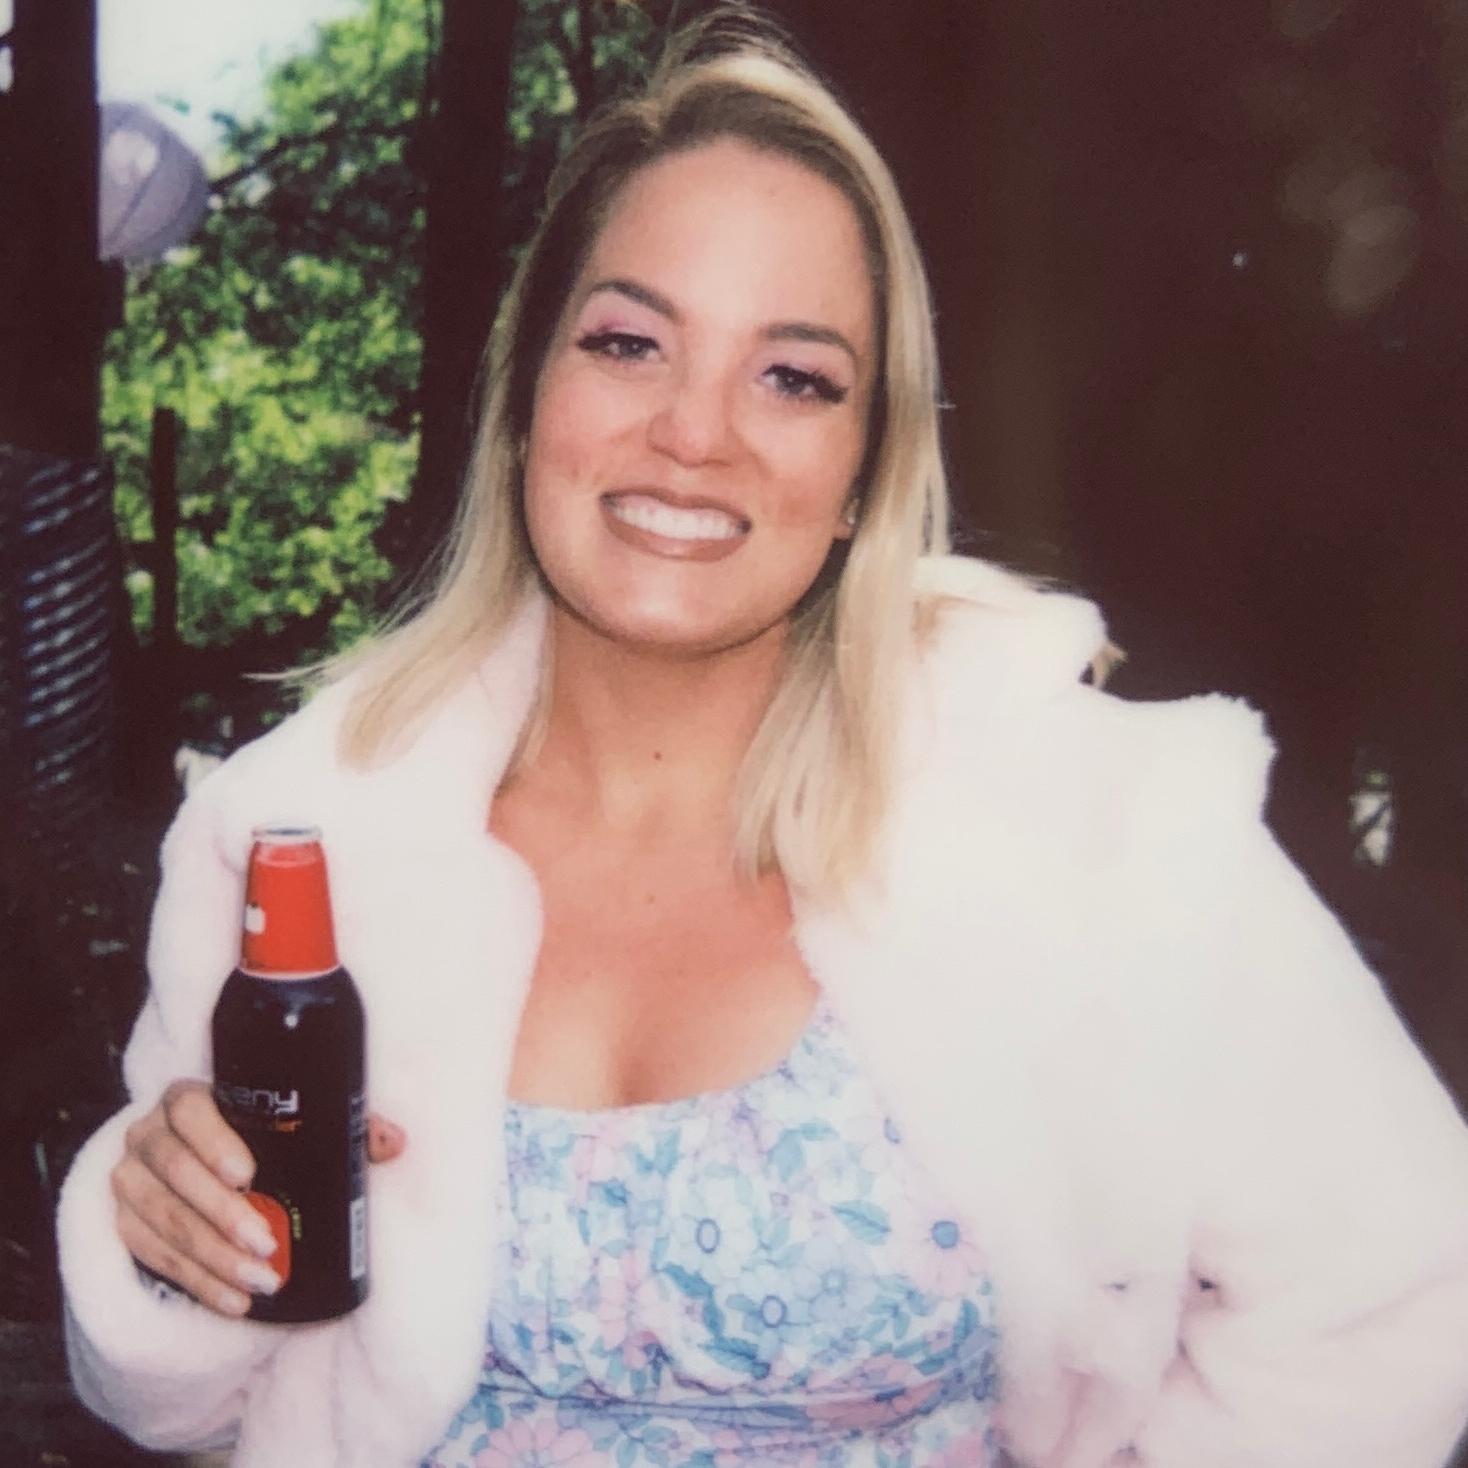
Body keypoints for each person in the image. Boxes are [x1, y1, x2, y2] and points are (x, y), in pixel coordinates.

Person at [57, 12, 1468, 1468]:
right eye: (629, 343)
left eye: (794, 377)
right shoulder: (310, 839)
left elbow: (1398, 1304)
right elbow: (185, 1403)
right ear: (525, 399)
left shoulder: (1089, 827)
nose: (695, 432)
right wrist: (166, 1241)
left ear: (864, 472)